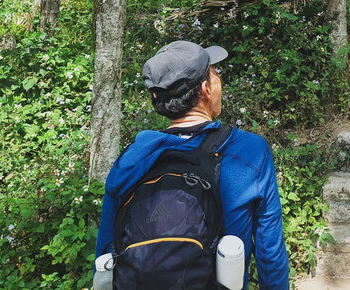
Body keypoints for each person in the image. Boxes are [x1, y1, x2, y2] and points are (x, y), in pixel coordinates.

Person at [94, 40, 290, 290]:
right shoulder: (248, 150)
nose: (219, 80)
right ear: (207, 89)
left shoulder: (132, 158)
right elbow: (269, 251)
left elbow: (104, 258)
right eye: (215, 73)